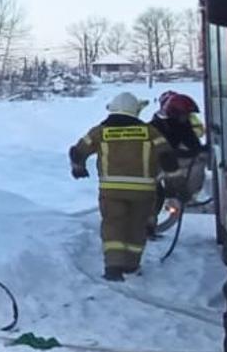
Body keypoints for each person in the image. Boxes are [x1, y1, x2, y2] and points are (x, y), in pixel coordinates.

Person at [69, 92, 177, 281]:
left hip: (112, 192)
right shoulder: (150, 131)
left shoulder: (100, 131)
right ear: (135, 111)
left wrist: (78, 167)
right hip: (143, 192)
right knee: (137, 227)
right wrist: (175, 184)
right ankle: (131, 265)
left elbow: (78, 151)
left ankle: (113, 268)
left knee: (113, 226)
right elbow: (168, 157)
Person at [151, 91, 207, 209]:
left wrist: (198, 150)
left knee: (199, 160)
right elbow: (162, 153)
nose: (186, 118)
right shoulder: (158, 126)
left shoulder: (182, 125)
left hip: (170, 160)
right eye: (184, 115)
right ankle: (174, 194)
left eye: (187, 115)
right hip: (156, 163)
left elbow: (193, 145)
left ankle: (182, 194)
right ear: (175, 113)